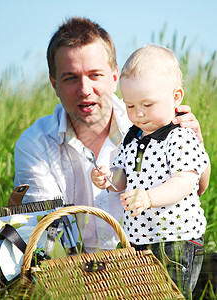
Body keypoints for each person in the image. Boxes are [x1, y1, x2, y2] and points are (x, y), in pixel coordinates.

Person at [13, 17, 210, 253]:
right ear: (54, 84)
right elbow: (48, 234)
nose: (85, 90)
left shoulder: (154, 120)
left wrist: (195, 143)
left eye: (95, 75)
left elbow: (196, 187)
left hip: (149, 254)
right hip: (71, 273)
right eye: (71, 78)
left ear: (115, 77)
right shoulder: (34, 144)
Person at [91, 44, 210, 298]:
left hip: (176, 239)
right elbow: (124, 174)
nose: (139, 114)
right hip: (140, 238)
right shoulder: (132, 137)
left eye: (148, 104)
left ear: (176, 97)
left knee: (173, 294)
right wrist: (108, 177)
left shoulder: (180, 136)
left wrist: (148, 197)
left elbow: (185, 182)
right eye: (131, 106)